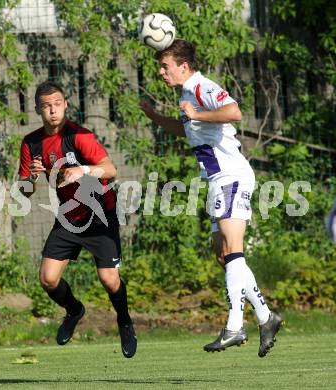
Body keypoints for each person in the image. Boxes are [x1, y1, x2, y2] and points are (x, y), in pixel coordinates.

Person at [140, 39, 282, 357]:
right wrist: (155, 117)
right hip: (217, 181)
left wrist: (198, 115)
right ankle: (266, 317)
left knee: (234, 250)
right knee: (223, 255)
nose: (161, 72)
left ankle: (234, 326)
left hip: (232, 175)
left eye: (166, 66)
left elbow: (234, 112)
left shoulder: (202, 87)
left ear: (184, 67)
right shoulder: (187, 95)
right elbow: (186, 128)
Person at [18, 80, 137, 358]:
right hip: (69, 217)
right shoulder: (32, 143)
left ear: (66, 105)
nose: (53, 111)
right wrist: (32, 177)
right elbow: (24, 191)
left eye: (57, 104)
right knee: (48, 279)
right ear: (38, 109)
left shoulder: (79, 135)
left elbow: (110, 170)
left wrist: (82, 170)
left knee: (109, 280)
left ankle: (124, 320)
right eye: (46, 106)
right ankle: (74, 310)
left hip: (99, 215)